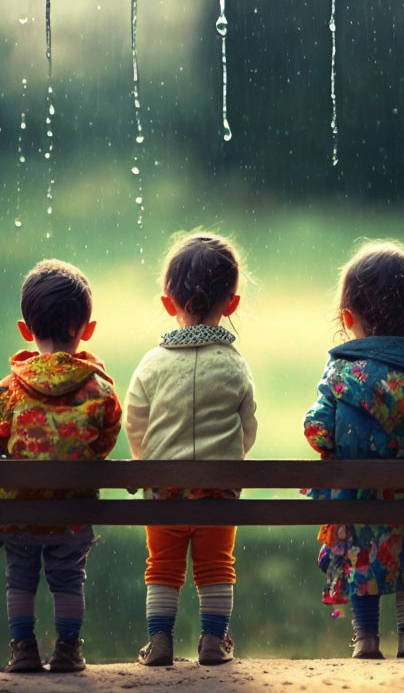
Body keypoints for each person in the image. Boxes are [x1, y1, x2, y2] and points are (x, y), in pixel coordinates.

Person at [304, 241, 404, 660]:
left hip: (355, 500)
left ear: (349, 317)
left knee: (360, 555)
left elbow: (317, 427)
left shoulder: (339, 371)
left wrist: (337, 443)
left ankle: (366, 639)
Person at [126, 232, 257, 667]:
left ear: (168, 302)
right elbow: (247, 425)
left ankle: (160, 641)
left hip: (164, 494)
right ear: (232, 303)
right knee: (217, 566)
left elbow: (136, 420)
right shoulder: (235, 365)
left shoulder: (152, 364)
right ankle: (213, 642)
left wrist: (144, 460)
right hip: (219, 496)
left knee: (162, 566)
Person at [0, 260, 122, 673]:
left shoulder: (8, 391)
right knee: (68, 579)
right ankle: (68, 650)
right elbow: (105, 441)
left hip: (18, 517)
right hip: (72, 516)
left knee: (20, 579)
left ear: (24, 330)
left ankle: (24, 650)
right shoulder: (99, 388)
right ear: (86, 330)